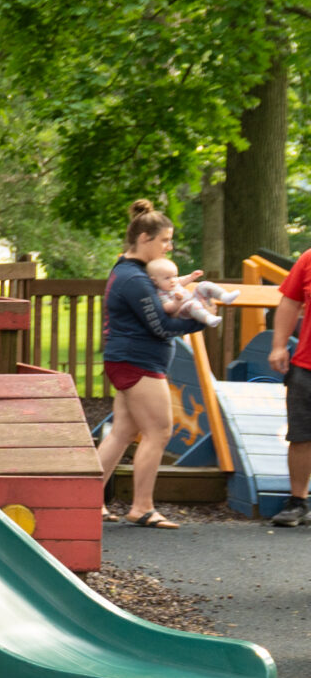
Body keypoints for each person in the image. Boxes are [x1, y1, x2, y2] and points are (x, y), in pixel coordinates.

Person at [92, 200, 211, 531]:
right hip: (137, 363)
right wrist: (199, 322)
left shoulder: (133, 272)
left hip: (130, 361)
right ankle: (142, 507)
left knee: (123, 432)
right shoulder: (133, 279)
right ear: (144, 238)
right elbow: (159, 327)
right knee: (159, 431)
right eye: (165, 240)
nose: (169, 246)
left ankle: (87, 501)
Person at [262, 244, 311, 528]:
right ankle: (298, 502)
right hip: (306, 365)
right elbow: (289, 301)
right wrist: (279, 345)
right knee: (301, 435)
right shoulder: (308, 259)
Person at [146, 257, 226, 328]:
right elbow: (167, 308)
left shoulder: (174, 284)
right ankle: (209, 318)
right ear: (155, 281)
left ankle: (224, 296)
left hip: (193, 302)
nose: (173, 280)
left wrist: (191, 277)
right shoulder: (161, 293)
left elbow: (182, 280)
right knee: (192, 305)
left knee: (203, 285)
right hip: (182, 310)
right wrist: (176, 302)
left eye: (174, 276)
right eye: (167, 278)